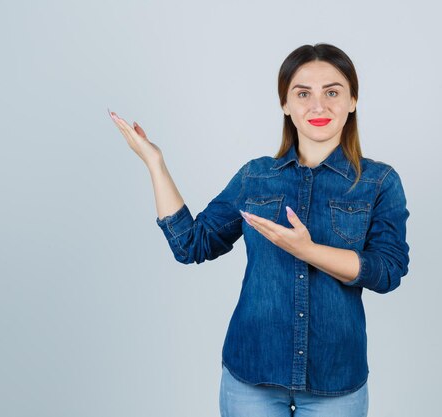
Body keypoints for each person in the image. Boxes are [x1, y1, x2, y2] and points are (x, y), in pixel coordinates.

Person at [109, 43, 410, 417]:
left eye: (332, 92)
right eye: (303, 94)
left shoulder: (379, 182)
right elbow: (191, 244)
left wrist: (307, 250)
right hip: (251, 375)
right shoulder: (256, 176)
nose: (319, 106)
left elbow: (387, 271)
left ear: (352, 101)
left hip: (336, 380)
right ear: (285, 103)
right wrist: (155, 163)